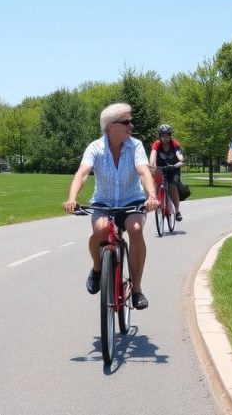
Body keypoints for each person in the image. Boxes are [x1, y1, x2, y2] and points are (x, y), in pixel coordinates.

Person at [62, 103, 159, 310]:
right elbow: (82, 173)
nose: (131, 125)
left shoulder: (136, 146)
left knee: (135, 228)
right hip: (104, 201)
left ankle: (137, 290)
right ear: (110, 126)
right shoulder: (95, 148)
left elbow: (143, 171)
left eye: (130, 121)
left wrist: (151, 196)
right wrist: (72, 198)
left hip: (131, 199)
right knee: (101, 229)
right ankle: (98, 268)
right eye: (126, 122)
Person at [149, 123, 185, 221]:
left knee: (173, 186)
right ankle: (158, 202)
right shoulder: (157, 144)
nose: (165, 137)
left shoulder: (174, 143)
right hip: (161, 168)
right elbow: (153, 154)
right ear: (160, 136)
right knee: (155, 183)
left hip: (173, 168)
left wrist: (180, 160)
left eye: (167, 135)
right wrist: (151, 166)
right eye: (163, 135)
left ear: (170, 135)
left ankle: (177, 211)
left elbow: (178, 154)